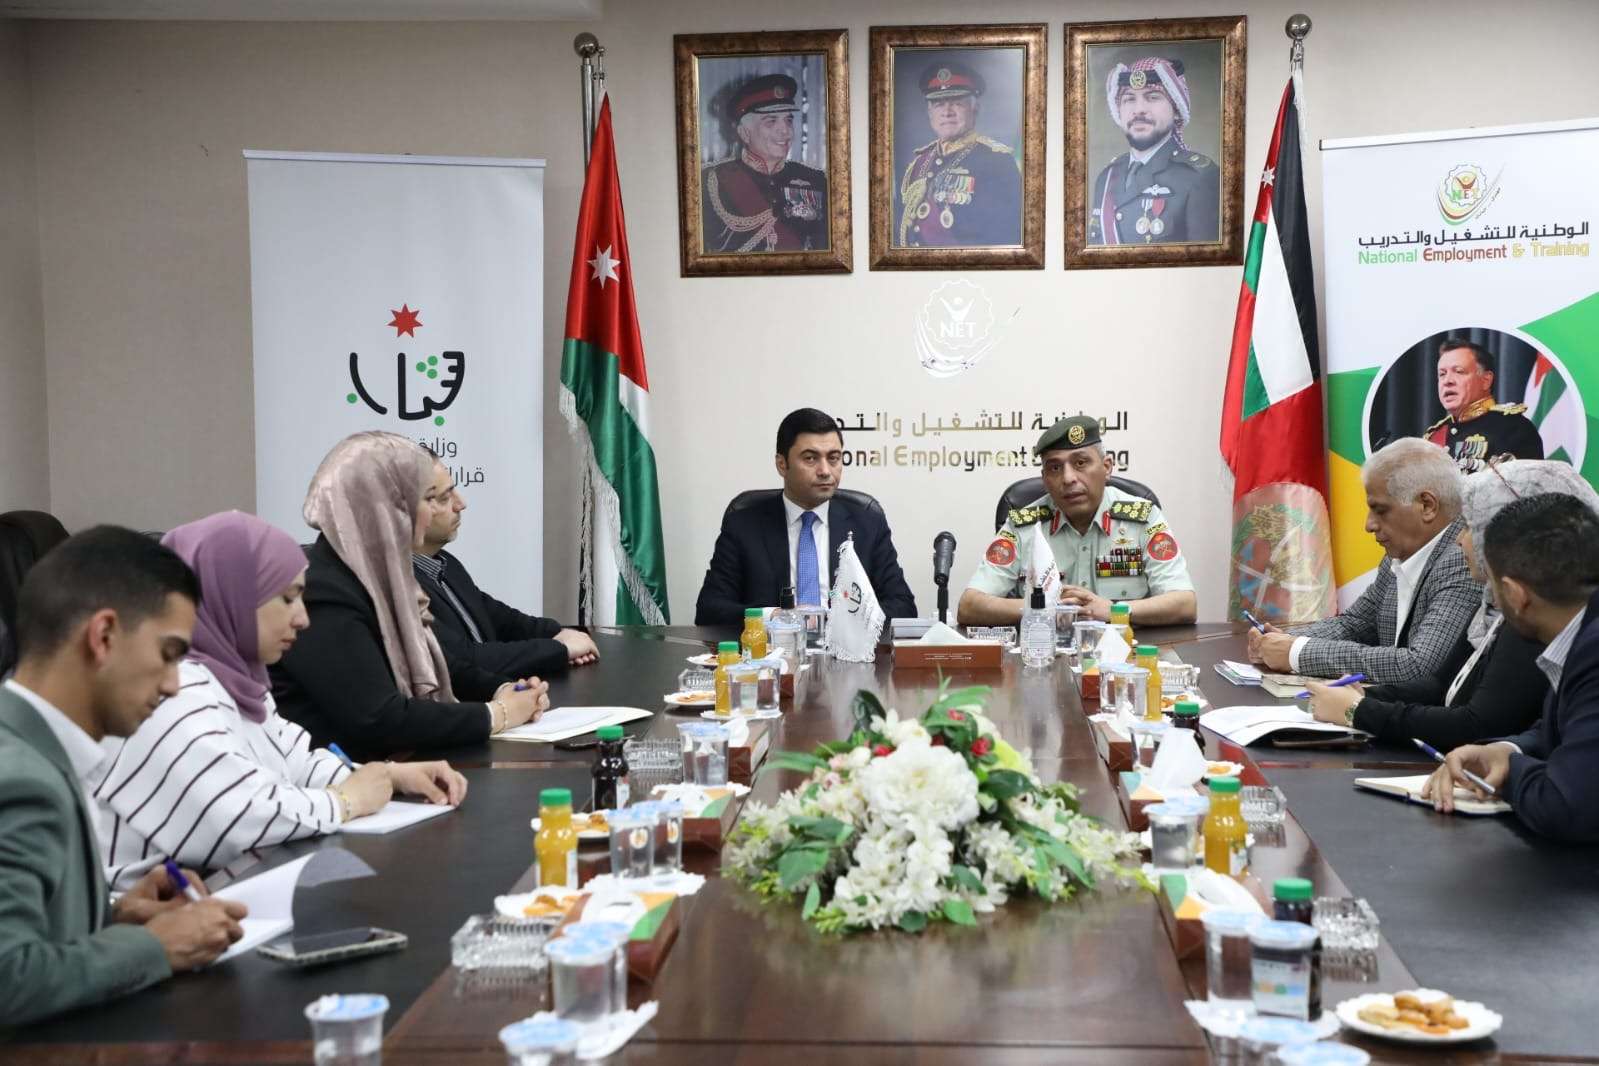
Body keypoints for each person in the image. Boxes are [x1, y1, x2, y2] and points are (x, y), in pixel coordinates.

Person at [93, 512, 469, 891]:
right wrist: (344, 802)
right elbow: (240, 817)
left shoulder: (236, 679)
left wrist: (387, 775)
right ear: (234, 597)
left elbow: (293, 762)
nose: (303, 619)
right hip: (140, 913)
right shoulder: (174, 690)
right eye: (288, 598)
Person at [0, 526, 247, 1026]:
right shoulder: (21, 779)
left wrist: (112, 916)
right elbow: (8, 978)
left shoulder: (33, 746)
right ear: (104, 636)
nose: (174, 685)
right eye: (169, 654)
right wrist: (154, 946)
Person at [271, 432, 548, 759]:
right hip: (343, 778)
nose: (431, 514)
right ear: (384, 508)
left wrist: (504, 689)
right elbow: (379, 717)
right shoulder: (323, 591)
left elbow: (436, 661)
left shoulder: (379, 572)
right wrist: (497, 714)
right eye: (427, 499)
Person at [1303, 461, 1596, 746]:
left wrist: (1358, 711)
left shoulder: (1533, 618)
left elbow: (1476, 725)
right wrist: (1365, 696)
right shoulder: (1494, 604)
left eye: (1469, 526)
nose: (1458, 540)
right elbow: (1439, 685)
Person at [1422, 493, 1599, 842]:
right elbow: (1573, 728)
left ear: (1515, 595)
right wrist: (1505, 751)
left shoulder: (1593, 650)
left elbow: (1565, 808)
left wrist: (1510, 772)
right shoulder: (1580, 632)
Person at [1250, 438, 1478, 684]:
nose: (1369, 525)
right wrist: (1284, 639)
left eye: (1380, 510)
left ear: (1427, 506)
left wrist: (1296, 652)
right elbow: (1357, 623)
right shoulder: (1400, 554)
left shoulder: (1465, 560)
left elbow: (1419, 666)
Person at [959, 415, 1196, 626]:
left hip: (1125, 653)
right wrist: (1043, 606)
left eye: (1080, 463)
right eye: (1055, 468)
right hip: (1044, 652)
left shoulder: (1143, 517)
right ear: (1044, 479)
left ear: (1106, 467)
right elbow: (969, 605)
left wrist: (1114, 610)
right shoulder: (1024, 524)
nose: (1068, 478)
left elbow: (1185, 604)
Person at [695, 408, 916, 626]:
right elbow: (709, 610)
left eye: (833, 458)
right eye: (810, 458)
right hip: (773, 646)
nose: (825, 470)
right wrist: (776, 617)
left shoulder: (867, 523)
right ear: (782, 464)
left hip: (845, 646)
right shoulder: (743, 525)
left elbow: (903, 607)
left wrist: (839, 621)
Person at [413, 455, 598, 701]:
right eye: (445, 497)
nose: (461, 504)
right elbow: (465, 658)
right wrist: (560, 648)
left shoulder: (445, 563)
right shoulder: (398, 586)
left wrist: (562, 633)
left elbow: (499, 617)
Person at [1088, 57, 1220, 246]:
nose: (1139, 110)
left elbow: (1208, 261)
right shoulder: (1107, 177)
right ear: (1119, 110)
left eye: (1152, 97)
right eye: (1129, 99)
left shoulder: (1199, 177)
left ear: (1176, 109)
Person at [896, 60, 1021, 248]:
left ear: (974, 108)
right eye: (938, 104)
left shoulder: (997, 162)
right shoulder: (919, 162)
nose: (947, 112)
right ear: (930, 112)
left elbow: (1006, 237)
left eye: (957, 103)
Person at [701, 73, 829, 254]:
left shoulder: (817, 180)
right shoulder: (709, 182)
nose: (785, 131)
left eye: (788, 120)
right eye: (771, 121)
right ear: (744, 133)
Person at [1424, 337, 1544, 473]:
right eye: (1442, 374)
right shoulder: (1433, 437)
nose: (1447, 381)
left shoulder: (1514, 428)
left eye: (1459, 371)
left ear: (1486, 380)